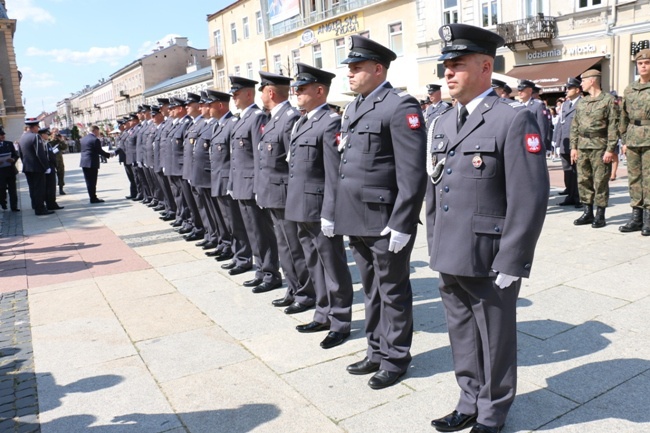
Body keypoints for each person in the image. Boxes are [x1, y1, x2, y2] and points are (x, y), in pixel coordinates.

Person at [427, 24, 549, 433]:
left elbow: (529, 196)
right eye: (446, 65)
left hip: (489, 254)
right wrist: (434, 241)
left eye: (457, 65)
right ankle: (468, 399)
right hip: (450, 249)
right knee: (461, 333)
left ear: (484, 66)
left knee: (495, 339)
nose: (447, 73)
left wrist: (513, 258)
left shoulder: (514, 118)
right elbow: (436, 188)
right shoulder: (442, 120)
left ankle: (493, 412)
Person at [336, 35, 427, 389]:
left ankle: (395, 357)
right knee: (371, 289)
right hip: (356, 217)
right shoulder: (354, 106)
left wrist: (402, 222)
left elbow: (412, 173)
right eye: (349, 69)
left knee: (393, 291)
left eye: (357, 68)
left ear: (378, 69)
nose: (350, 74)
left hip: (385, 220)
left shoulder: (399, 106)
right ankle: (376, 349)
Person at [287, 62, 354, 349]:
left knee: (333, 266)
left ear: (319, 90)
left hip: (318, 207)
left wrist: (330, 212)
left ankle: (340, 320)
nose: (297, 94)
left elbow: (333, 171)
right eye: (296, 89)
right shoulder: (302, 121)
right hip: (301, 206)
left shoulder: (329, 122)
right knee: (314, 263)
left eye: (302, 89)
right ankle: (323, 312)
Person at [257, 70, 316, 313]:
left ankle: (305, 293)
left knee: (294, 247)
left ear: (270, 91)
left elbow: (294, 162)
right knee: (285, 247)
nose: (260, 95)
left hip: (284, 193)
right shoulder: (273, 118)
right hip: (274, 193)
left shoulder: (289, 118)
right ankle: (293, 288)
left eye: (262, 90)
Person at [228, 75, 282, 293]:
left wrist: (259, 187)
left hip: (252, 185)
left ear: (248, 94)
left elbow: (260, 156)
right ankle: (261, 270)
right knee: (252, 231)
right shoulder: (242, 118)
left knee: (262, 232)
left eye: (237, 94)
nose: (233, 98)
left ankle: (270, 273)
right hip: (241, 184)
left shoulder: (257, 118)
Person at [570, 69, 619, 228]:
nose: (581, 84)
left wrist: (610, 149)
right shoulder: (582, 102)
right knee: (583, 180)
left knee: (600, 181)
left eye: (583, 80)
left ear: (591, 81)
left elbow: (613, 126)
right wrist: (574, 147)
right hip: (583, 146)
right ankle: (587, 212)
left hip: (600, 145)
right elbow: (575, 125)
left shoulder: (608, 100)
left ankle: (600, 215)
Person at [619, 48, 650, 235]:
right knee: (634, 179)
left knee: (649, 179)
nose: (643, 66)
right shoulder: (630, 89)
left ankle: (648, 218)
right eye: (640, 63)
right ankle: (636, 217)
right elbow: (623, 116)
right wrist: (624, 140)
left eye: (646, 63)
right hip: (632, 138)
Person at [553, 77, 583, 207]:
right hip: (565, 142)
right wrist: (556, 141)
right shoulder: (565, 104)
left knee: (577, 171)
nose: (567, 90)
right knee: (567, 171)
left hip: (577, 143)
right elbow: (560, 123)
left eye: (570, 88)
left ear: (577, 89)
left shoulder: (582, 103)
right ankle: (570, 195)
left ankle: (578, 197)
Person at [18, 118, 53, 215]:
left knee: (32, 188)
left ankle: (35, 205)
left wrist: (25, 164)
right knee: (39, 189)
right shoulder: (35, 137)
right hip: (37, 168)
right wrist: (46, 167)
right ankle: (40, 209)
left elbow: (20, 153)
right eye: (37, 126)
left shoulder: (22, 137)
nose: (38, 128)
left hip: (27, 167)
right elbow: (40, 153)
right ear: (34, 127)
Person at [79, 125, 113, 203]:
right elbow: (99, 151)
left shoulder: (83, 139)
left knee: (88, 181)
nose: (98, 133)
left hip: (84, 162)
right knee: (93, 181)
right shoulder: (95, 140)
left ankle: (91, 197)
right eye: (98, 131)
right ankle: (93, 198)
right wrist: (109, 155)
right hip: (92, 162)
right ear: (95, 130)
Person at [40, 128, 64, 210]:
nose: (48, 135)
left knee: (51, 187)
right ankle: (50, 204)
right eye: (46, 134)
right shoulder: (43, 144)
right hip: (48, 167)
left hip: (52, 166)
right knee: (50, 187)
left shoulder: (45, 143)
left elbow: (64, 147)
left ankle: (52, 203)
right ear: (42, 135)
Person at [0, 126, 19, 211]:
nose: (3, 136)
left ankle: (14, 206)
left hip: (10, 169)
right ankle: (3, 202)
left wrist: (13, 159)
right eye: (1, 135)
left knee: (13, 190)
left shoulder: (9, 143)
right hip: (1, 172)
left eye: (3, 134)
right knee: (2, 189)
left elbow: (15, 155)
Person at [48, 130, 68, 195]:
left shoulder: (58, 142)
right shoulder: (48, 141)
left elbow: (64, 147)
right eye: (54, 133)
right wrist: (52, 139)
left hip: (59, 160)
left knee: (61, 174)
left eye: (57, 133)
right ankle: (51, 190)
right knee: (51, 176)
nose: (56, 135)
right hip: (51, 161)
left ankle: (61, 188)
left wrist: (61, 140)